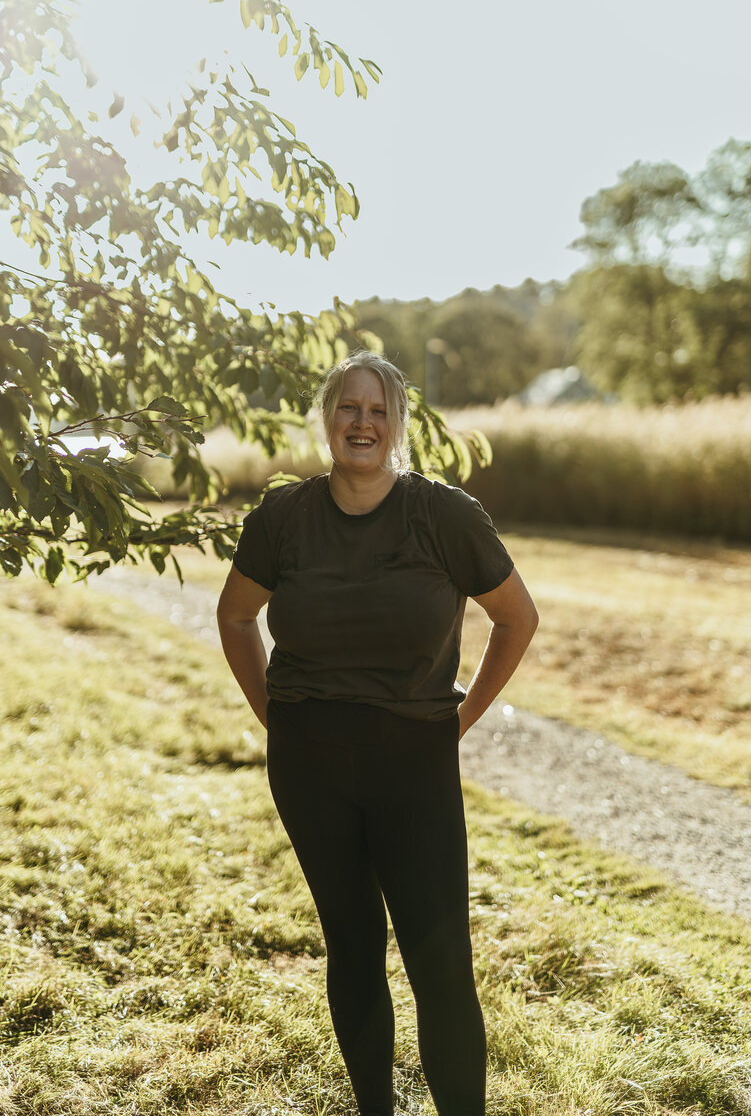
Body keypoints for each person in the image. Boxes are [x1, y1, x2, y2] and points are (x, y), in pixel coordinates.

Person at [217, 350, 538, 1116]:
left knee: (441, 963)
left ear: (397, 424)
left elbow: (516, 619)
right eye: (347, 407)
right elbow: (234, 616)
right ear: (328, 418)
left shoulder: (444, 515)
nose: (361, 422)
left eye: (377, 409)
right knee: (353, 949)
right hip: (310, 767)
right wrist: (278, 716)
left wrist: (460, 720)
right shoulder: (285, 517)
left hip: (413, 766)